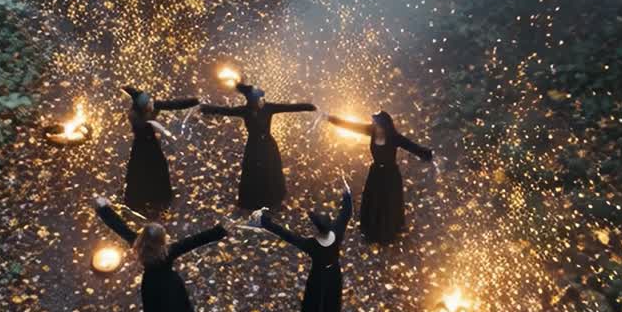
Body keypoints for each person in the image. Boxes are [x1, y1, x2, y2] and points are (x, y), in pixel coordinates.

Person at [94, 196, 227, 312]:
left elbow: (119, 226)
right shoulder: (168, 251)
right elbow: (194, 241)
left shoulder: (138, 244)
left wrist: (103, 209)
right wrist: (220, 231)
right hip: (171, 286)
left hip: (151, 287)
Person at [254, 181, 353, 312]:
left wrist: (265, 221)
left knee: (313, 305)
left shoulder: (312, 245)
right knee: (331, 300)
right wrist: (347, 194)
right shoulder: (336, 232)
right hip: (334, 273)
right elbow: (346, 214)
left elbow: (287, 235)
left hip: (318, 277)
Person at [200, 80, 316, 211]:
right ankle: (255, 202)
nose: (259, 100)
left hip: (267, 145)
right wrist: (206, 108)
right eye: (257, 98)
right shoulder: (245, 110)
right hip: (255, 147)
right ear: (251, 99)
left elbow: (288, 107)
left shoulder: (268, 107)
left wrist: (308, 106)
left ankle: (273, 201)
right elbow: (225, 111)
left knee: (271, 172)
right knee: (255, 173)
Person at [325, 111, 434, 244]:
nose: (375, 126)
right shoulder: (371, 131)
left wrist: (428, 155)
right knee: (373, 200)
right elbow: (351, 126)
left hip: (391, 175)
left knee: (388, 202)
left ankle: (389, 234)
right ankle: (371, 232)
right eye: (374, 123)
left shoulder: (394, 137)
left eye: (377, 124)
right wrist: (331, 119)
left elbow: (412, 147)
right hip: (376, 173)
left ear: (385, 126)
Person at [121, 87, 198, 214]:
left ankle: (144, 198)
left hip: (144, 146)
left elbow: (173, 105)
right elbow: (170, 106)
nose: (150, 102)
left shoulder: (139, 113)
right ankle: (152, 198)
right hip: (147, 147)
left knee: (143, 171)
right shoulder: (138, 116)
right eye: (148, 102)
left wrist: (193, 101)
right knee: (150, 170)